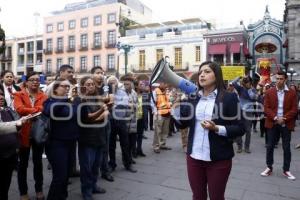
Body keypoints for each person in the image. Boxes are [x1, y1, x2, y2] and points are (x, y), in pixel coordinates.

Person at [179, 61, 245, 200]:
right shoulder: (193, 97)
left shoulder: (229, 97)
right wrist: (177, 107)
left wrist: (216, 128)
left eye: (207, 71)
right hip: (194, 157)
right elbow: (182, 124)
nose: (202, 75)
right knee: (198, 196)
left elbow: (241, 127)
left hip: (219, 159)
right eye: (201, 72)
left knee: (216, 197)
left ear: (217, 75)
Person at [44, 78, 81, 200]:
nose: (67, 89)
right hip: (56, 143)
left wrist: (78, 100)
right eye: (64, 86)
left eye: (68, 87)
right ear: (55, 89)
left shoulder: (70, 101)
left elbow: (77, 116)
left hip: (70, 143)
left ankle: (62, 196)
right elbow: (50, 111)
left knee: (66, 176)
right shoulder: (49, 101)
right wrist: (66, 98)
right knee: (59, 176)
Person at [14, 71, 48, 200]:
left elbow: (44, 109)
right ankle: (23, 193)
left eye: (37, 80)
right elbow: (19, 109)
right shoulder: (19, 94)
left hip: (39, 133)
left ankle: (39, 190)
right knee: (22, 165)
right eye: (32, 79)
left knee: (38, 163)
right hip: (24, 133)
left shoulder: (43, 96)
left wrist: (31, 112)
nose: (35, 82)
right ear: (26, 82)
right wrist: (36, 110)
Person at [260, 71, 298, 180]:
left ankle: (286, 170)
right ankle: (269, 167)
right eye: (277, 79)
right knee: (270, 146)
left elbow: (294, 109)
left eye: (281, 79)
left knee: (286, 147)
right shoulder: (269, 92)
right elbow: (266, 108)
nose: (278, 81)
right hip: (273, 122)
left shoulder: (292, 93)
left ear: (285, 79)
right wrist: (276, 118)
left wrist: (284, 118)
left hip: (286, 123)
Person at [79, 76, 109, 200]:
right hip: (87, 139)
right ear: (83, 86)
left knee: (96, 165)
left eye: (92, 84)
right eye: (87, 84)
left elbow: (107, 113)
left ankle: (93, 185)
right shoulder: (81, 100)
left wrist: (99, 116)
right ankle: (86, 191)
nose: (91, 86)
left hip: (100, 136)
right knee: (87, 167)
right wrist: (100, 114)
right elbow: (86, 118)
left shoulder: (98, 98)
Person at [0, 88, 29, 200]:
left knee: (5, 187)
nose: (1, 97)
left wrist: (16, 146)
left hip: (10, 155)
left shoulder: (6, 110)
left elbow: (14, 129)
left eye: (2, 94)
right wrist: (18, 123)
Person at [109, 75, 137, 173]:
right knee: (111, 145)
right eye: (111, 82)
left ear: (117, 83)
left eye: (114, 82)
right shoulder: (106, 92)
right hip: (111, 121)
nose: (113, 84)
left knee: (125, 143)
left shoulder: (122, 92)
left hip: (121, 120)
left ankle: (127, 164)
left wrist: (113, 104)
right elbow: (107, 104)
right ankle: (112, 164)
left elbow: (124, 104)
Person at [91, 66, 114, 182]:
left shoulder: (107, 86)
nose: (100, 75)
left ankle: (105, 170)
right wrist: (102, 100)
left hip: (106, 120)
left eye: (102, 73)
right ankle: (93, 172)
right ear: (92, 75)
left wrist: (101, 100)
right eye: (97, 73)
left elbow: (111, 100)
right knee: (93, 148)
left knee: (105, 146)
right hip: (93, 121)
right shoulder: (90, 86)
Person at [232, 76, 258, 153]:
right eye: (245, 82)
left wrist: (249, 89)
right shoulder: (240, 89)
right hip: (240, 111)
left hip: (249, 112)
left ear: (250, 82)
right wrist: (239, 77)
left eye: (248, 82)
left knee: (248, 131)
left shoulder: (253, 90)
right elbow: (233, 82)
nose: (246, 83)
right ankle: (239, 146)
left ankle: (247, 147)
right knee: (238, 129)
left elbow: (254, 97)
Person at [151, 82, 172, 153]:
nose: (166, 85)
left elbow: (169, 101)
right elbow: (152, 103)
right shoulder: (155, 92)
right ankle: (156, 146)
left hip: (167, 113)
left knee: (165, 131)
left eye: (166, 84)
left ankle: (162, 144)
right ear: (160, 84)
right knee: (157, 131)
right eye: (164, 84)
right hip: (159, 114)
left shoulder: (167, 92)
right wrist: (155, 112)